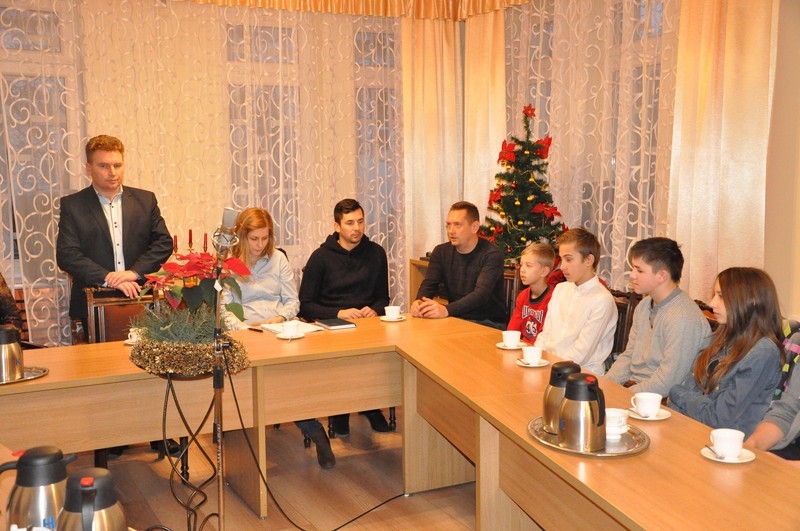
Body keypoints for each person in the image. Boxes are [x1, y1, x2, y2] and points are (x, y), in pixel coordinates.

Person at [56, 134, 175, 456]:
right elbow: (67, 255)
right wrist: (109, 276)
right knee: (106, 377)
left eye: (118, 165)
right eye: (104, 166)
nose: (113, 172)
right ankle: (112, 437)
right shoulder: (73, 205)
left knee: (151, 370)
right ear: (88, 168)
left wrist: (134, 272)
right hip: (95, 301)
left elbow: (163, 243)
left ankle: (159, 434)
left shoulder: (145, 200)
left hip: (142, 299)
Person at [221, 208, 335, 469]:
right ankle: (246, 447)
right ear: (241, 236)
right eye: (254, 239)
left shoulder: (278, 259)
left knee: (289, 382)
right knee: (255, 387)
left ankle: (315, 431)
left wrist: (279, 318)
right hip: (245, 334)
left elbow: (292, 301)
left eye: (265, 238)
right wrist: (245, 330)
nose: (260, 245)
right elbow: (225, 309)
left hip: (277, 333)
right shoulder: (229, 264)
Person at [298, 198, 391, 437]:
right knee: (343, 357)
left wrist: (373, 309)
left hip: (367, 325)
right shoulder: (321, 257)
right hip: (331, 325)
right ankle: (340, 411)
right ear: (337, 226)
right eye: (350, 223)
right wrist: (338, 313)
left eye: (360, 221)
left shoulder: (376, 253)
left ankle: (370, 405)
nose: (357, 228)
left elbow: (384, 298)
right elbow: (305, 305)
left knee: (379, 354)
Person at [668, 267, 785, 438]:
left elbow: (718, 418)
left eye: (721, 296)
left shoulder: (763, 352)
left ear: (751, 300)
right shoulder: (721, 337)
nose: (712, 303)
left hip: (726, 444)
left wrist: (676, 392)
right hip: (693, 429)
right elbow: (690, 390)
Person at [606, 238, 712, 395]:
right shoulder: (644, 305)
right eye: (633, 269)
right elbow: (629, 356)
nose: (632, 275)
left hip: (663, 400)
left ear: (662, 275)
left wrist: (623, 395)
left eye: (639, 270)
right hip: (635, 389)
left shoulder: (682, 318)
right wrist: (606, 385)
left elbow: (667, 383)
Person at [533, 228, 617, 375]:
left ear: (588, 260)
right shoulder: (560, 289)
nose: (562, 266)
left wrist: (550, 369)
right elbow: (545, 334)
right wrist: (534, 358)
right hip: (549, 366)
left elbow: (582, 352)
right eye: (562, 259)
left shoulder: (601, 299)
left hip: (580, 375)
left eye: (569, 259)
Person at [410, 201, 506, 328]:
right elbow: (429, 284)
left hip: (488, 323)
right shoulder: (441, 252)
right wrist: (419, 303)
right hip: (455, 319)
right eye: (448, 225)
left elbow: (481, 295)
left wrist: (446, 310)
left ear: (474, 227)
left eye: (457, 225)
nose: (451, 231)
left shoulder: (492, 254)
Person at [506, 242, 555, 344]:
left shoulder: (553, 298)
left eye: (528, 265)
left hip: (539, 349)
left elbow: (546, 337)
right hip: (522, 346)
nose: (522, 270)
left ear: (544, 271)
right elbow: (512, 330)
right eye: (521, 264)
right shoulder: (523, 296)